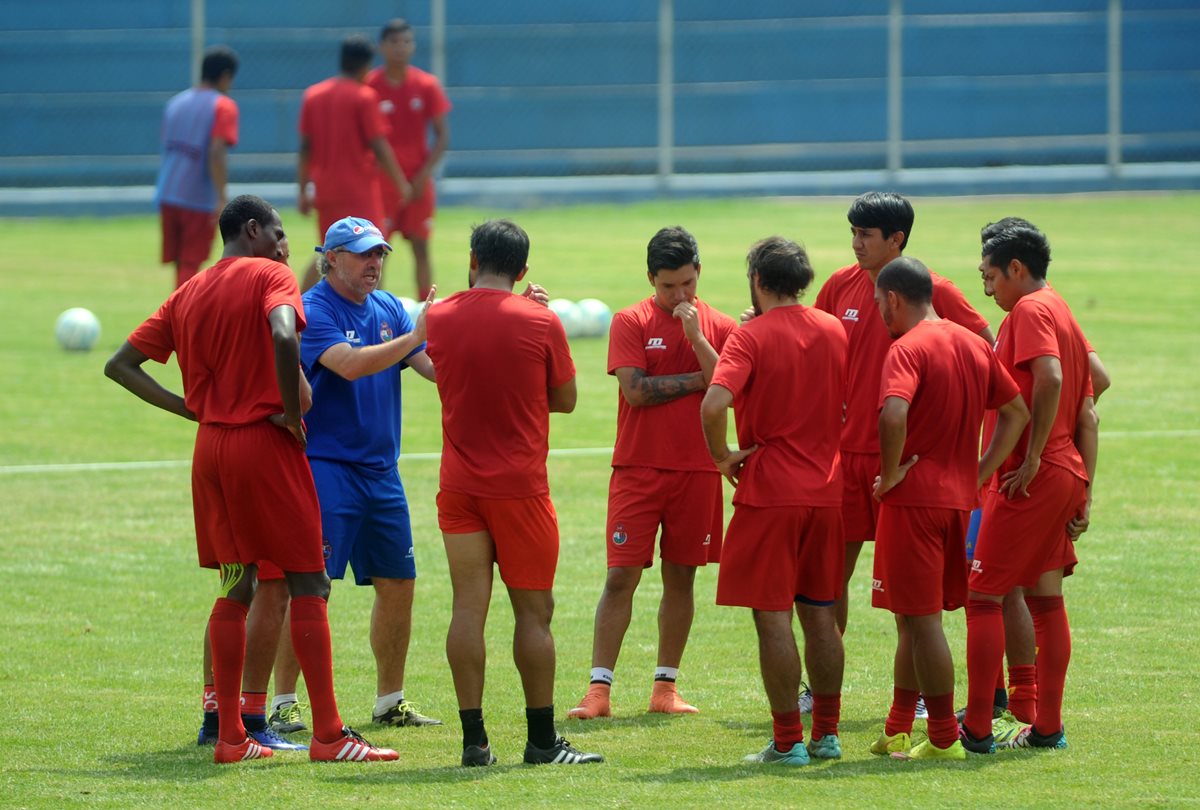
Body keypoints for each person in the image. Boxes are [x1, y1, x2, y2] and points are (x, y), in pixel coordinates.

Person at [104, 195, 398, 764]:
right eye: (281, 232)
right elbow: (286, 336)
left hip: (211, 448)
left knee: (236, 584)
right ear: (253, 229)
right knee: (309, 581)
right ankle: (331, 736)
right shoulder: (271, 275)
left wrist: (194, 409)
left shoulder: (189, 289)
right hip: (264, 446)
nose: (287, 246)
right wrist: (291, 411)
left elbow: (120, 365)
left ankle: (232, 736)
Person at [425, 219, 602, 767]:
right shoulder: (541, 320)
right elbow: (566, 399)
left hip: (458, 487)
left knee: (467, 609)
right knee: (534, 614)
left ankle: (474, 742)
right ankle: (542, 742)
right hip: (520, 489)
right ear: (523, 270)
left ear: (472, 259)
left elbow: (445, 371)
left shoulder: (439, 315)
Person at [811, 192, 993, 716]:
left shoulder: (932, 289)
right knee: (827, 580)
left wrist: (954, 431)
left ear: (897, 239)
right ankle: (822, 690)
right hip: (845, 459)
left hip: (905, 468)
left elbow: (984, 346)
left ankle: (912, 702)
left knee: (908, 600)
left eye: (866, 236)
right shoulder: (839, 285)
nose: (856, 244)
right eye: (853, 234)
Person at [263, 216, 442, 730]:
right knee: (312, 585)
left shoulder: (387, 307)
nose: (375, 263)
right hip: (327, 469)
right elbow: (350, 364)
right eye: (364, 254)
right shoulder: (313, 308)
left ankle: (390, 701)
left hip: (383, 472)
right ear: (332, 258)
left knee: (399, 582)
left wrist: (479, 330)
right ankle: (283, 703)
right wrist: (415, 337)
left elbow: (433, 368)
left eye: (380, 254)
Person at [568, 226, 736, 721]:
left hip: (697, 471)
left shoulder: (721, 326)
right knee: (620, 576)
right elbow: (636, 391)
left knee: (681, 577)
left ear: (699, 272)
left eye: (687, 282)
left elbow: (725, 384)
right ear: (651, 280)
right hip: (638, 470)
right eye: (668, 286)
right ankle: (598, 691)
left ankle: (665, 687)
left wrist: (696, 340)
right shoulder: (629, 320)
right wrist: (699, 378)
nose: (680, 295)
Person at [867, 257, 1028, 761]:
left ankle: (940, 738)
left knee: (923, 621)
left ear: (893, 298)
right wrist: (979, 472)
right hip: (957, 501)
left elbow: (894, 412)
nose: (879, 315)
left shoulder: (907, 348)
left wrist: (891, 472)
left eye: (879, 305)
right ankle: (898, 726)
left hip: (913, 501)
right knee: (911, 618)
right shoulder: (974, 342)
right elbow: (1016, 412)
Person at [699, 237, 847, 766]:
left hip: (771, 494)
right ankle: (826, 734)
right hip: (828, 493)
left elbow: (715, 403)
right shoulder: (835, 329)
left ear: (758, 282)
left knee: (773, 618)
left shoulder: (749, 336)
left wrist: (723, 457)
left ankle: (787, 742)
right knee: (822, 615)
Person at [962, 217, 1112, 727]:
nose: (987, 289)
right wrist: (1084, 489)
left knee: (982, 595)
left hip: (1031, 476)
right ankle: (1044, 725)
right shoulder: (1062, 309)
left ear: (1016, 269)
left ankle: (977, 727)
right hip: (1066, 471)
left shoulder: (1029, 309)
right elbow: (1093, 398)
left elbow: (1049, 376)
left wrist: (1030, 457)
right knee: (1046, 599)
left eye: (990, 277)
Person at [297, 35, 411, 291]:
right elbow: (379, 146)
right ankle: (376, 314)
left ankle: (298, 306)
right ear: (366, 66)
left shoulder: (313, 95)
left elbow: (305, 148)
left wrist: (303, 190)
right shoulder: (364, 96)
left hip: (326, 190)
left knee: (327, 254)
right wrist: (401, 184)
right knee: (373, 251)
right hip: (359, 192)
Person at [366, 19, 451, 299]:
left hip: (417, 183)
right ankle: (375, 311)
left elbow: (441, 137)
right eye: (394, 42)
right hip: (381, 183)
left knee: (421, 247)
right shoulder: (370, 86)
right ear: (382, 46)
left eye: (406, 42)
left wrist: (422, 176)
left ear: (413, 46)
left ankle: (425, 310)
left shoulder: (426, 85)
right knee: (375, 250)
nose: (400, 48)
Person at [156, 45, 239, 289]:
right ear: (225, 76)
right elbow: (216, 152)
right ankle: (182, 319)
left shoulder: (176, 102)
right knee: (191, 262)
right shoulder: (223, 106)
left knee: (180, 262)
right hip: (197, 197)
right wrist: (222, 197)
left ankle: (176, 316)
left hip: (169, 191)